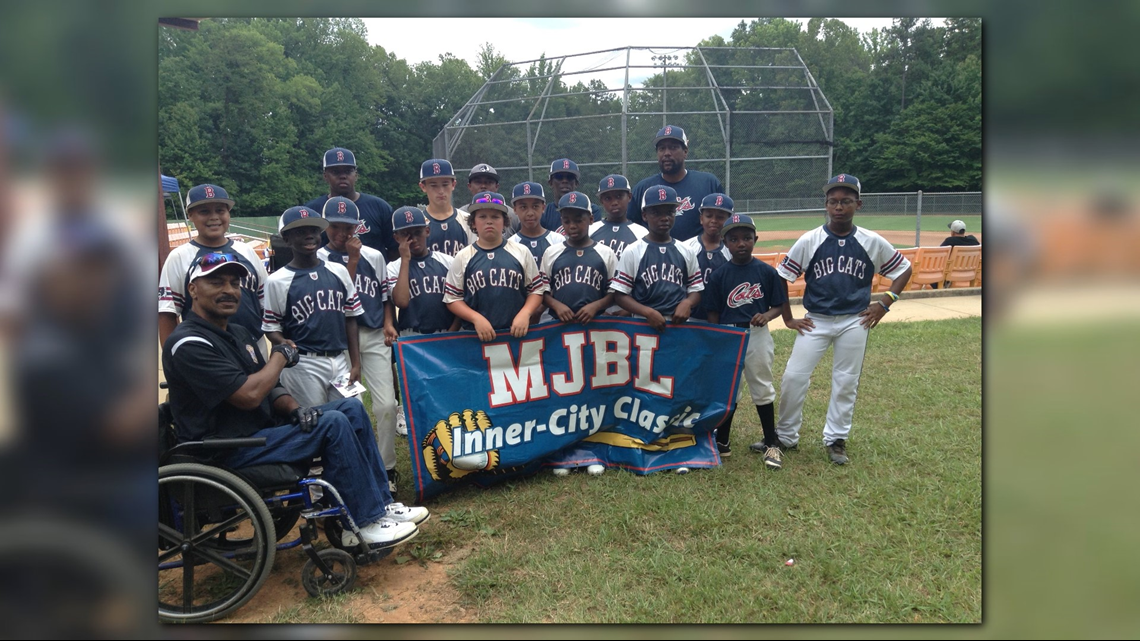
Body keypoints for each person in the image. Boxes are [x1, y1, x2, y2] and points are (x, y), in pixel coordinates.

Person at [162, 252, 427, 548]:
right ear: (193, 290)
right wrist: (280, 355)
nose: (229, 290)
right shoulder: (189, 344)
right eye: (216, 282)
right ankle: (361, 524)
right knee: (334, 424)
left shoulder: (236, 332)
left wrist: (296, 409)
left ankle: (379, 504)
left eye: (235, 283)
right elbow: (249, 395)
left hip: (257, 434)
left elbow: (270, 387)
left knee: (350, 408)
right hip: (224, 448)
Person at [775, 174, 913, 466]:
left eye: (846, 201)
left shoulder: (870, 241)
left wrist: (886, 303)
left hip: (855, 320)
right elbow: (782, 277)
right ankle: (786, 436)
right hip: (816, 319)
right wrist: (788, 318)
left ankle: (836, 439)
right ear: (825, 204)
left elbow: (904, 269)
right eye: (833, 201)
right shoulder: (810, 239)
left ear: (858, 204)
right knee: (793, 377)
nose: (839, 206)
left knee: (846, 381)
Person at [316, 197, 401, 494]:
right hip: (340, 341)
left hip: (375, 334)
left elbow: (384, 296)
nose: (341, 234)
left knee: (387, 406)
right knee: (347, 410)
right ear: (325, 227)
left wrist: (389, 321)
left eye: (347, 228)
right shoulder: (318, 259)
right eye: (335, 227)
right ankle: (353, 470)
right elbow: (340, 298)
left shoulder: (375, 256)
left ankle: (386, 467)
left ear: (357, 228)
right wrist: (352, 261)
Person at [541, 192, 618, 478]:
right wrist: (556, 304)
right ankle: (564, 451)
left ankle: (592, 450)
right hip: (560, 333)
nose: (573, 225)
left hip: (595, 332)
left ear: (591, 219)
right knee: (563, 392)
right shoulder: (552, 252)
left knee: (593, 393)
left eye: (579, 219)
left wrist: (597, 306)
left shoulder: (605, 252)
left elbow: (615, 292)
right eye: (567, 219)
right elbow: (542, 290)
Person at [704, 214, 788, 465]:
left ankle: (771, 443)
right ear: (724, 242)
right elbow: (712, 311)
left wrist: (767, 315)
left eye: (747, 238)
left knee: (762, 386)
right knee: (729, 390)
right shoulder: (720, 275)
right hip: (729, 334)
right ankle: (723, 441)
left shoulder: (765, 271)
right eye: (734, 239)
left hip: (757, 335)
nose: (741, 243)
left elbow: (779, 305)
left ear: (756, 240)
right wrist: (717, 337)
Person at [262, 206, 363, 409]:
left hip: (339, 360)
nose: (309, 235)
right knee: (315, 423)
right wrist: (283, 342)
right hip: (303, 363)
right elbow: (271, 328)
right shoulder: (277, 280)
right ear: (287, 238)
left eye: (314, 230)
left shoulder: (339, 271)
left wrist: (356, 363)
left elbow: (350, 318)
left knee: (353, 413)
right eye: (300, 231)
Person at [159, 184, 269, 351]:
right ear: (190, 215)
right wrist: (173, 357)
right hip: (205, 349)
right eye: (204, 211)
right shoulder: (180, 257)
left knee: (262, 378)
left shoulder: (246, 251)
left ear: (228, 213)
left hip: (254, 343)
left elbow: (265, 302)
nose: (214, 217)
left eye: (220, 210)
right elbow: (167, 314)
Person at [443, 191, 547, 342]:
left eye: (495, 216)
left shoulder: (520, 251)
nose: (489, 221)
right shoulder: (463, 256)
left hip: (516, 334)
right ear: (473, 222)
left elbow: (536, 289)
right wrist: (475, 318)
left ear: (505, 221)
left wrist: (525, 313)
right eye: (482, 216)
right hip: (477, 336)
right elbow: (452, 298)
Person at [611, 185, 703, 331]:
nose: (664, 218)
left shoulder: (686, 250)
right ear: (644, 215)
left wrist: (688, 303)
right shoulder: (633, 251)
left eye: (669, 212)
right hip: (643, 323)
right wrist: (647, 312)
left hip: (678, 323)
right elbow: (620, 295)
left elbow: (696, 289)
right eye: (656, 213)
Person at [628, 125, 725, 242]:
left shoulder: (708, 183)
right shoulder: (643, 188)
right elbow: (631, 229)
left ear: (685, 151)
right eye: (662, 148)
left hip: (699, 257)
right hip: (656, 257)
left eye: (673, 147)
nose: (667, 153)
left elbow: (725, 223)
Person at [305, 147, 398, 260]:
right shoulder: (312, 211)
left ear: (356, 175)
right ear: (325, 176)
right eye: (336, 172)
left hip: (371, 275)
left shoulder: (379, 207)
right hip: (326, 275)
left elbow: (395, 249)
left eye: (348, 171)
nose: (343, 176)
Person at [386, 206, 461, 338]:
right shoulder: (393, 267)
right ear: (397, 238)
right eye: (406, 235)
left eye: (417, 232)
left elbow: (460, 299)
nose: (413, 239)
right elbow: (402, 302)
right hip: (411, 335)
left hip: (446, 332)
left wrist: (452, 332)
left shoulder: (447, 261)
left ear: (427, 231)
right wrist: (405, 260)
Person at [681, 193, 734, 322]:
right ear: (701, 218)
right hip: (690, 317)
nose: (714, 220)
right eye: (709, 216)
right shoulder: (686, 247)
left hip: (723, 317)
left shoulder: (732, 250)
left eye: (720, 217)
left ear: (729, 220)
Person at [419, 159, 475, 257]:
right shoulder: (418, 223)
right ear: (423, 187)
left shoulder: (467, 220)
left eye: (445, 184)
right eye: (433, 185)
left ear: (453, 184)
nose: (440, 191)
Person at [509, 181, 564, 268]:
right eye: (523, 207)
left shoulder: (557, 240)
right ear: (515, 209)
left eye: (535, 206)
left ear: (543, 208)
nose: (530, 213)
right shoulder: (511, 244)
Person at [540, 158, 603, 231]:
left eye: (570, 177)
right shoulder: (544, 213)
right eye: (559, 177)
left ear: (576, 183)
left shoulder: (591, 210)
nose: (565, 181)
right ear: (550, 183)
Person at [458, 163, 521, 234]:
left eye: (489, 182)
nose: (483, 186)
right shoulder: (460, 215)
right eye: (478, 182)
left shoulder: (512, 215)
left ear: (497, 186)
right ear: (469, 186)